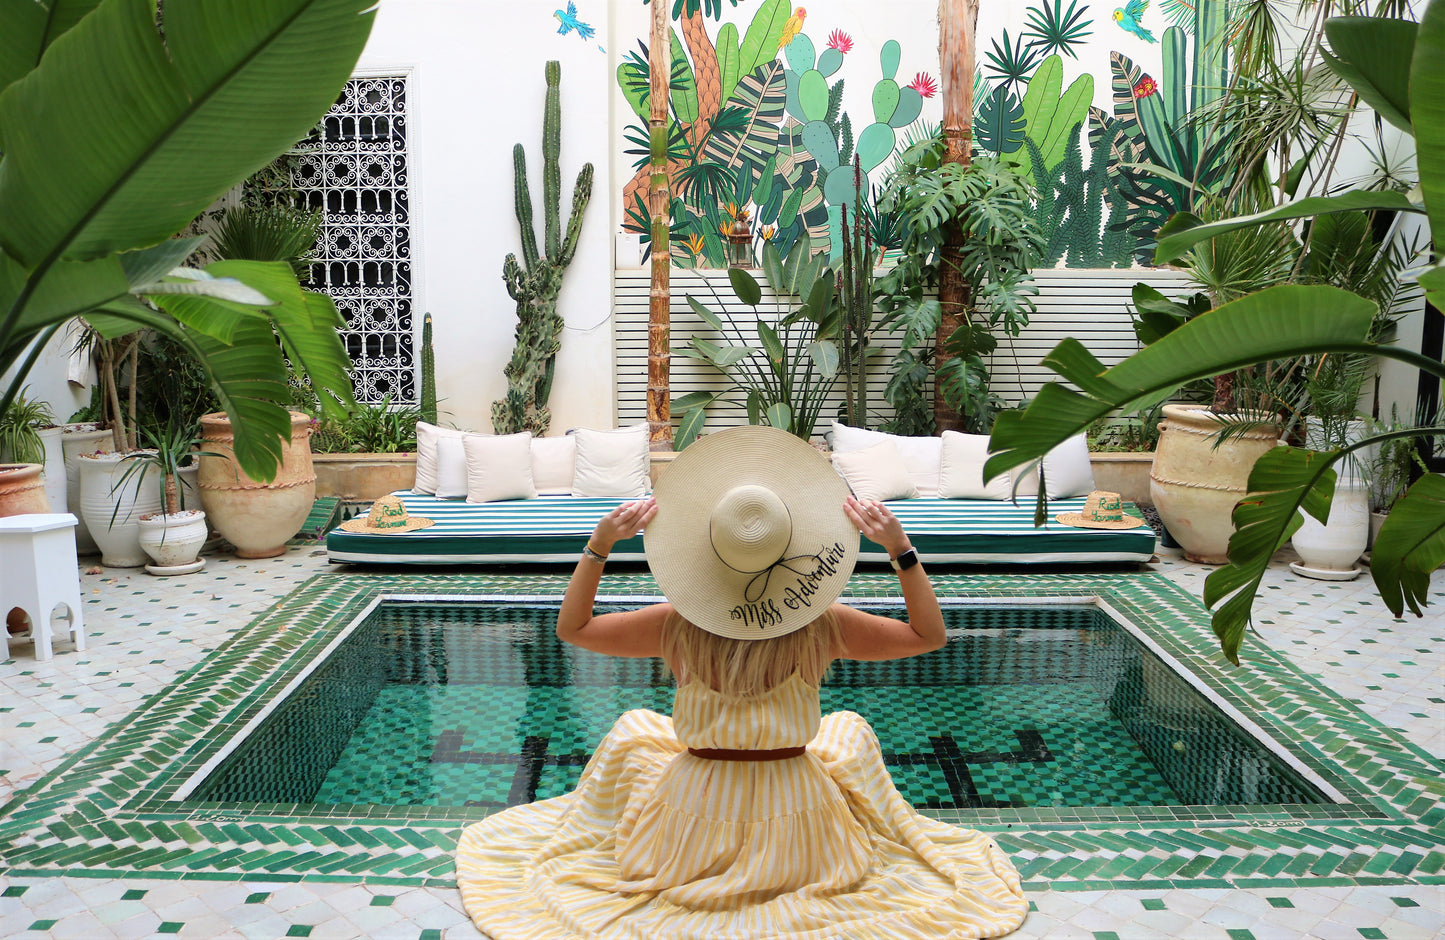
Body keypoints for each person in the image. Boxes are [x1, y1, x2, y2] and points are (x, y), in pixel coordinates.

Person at [456, 426, 1027, 938]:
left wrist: (599, 545)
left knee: (636, 731)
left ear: (710, 551)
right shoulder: (822, 624)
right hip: (801, 828)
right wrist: (900, 550)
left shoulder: (677, 625)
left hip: (690, 825)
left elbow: (572, 628)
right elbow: (929, 635)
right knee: (848, 731)